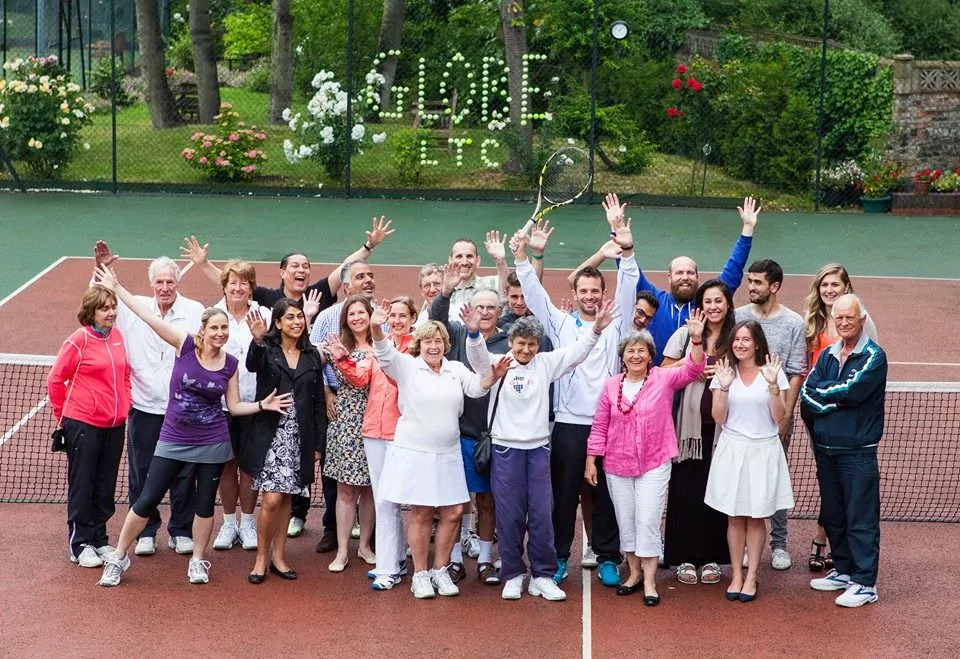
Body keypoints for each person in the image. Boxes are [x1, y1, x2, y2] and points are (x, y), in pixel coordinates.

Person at [93, 265, 292, 587]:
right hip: (173, 438)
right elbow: (148, 316)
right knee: (147, 499)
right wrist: (117, 288)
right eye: (215, 328)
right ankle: (118, 556)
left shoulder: (230, 364)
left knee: (204, 505)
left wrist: (260, 405)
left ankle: (198, 560)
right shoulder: (184, 344)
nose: (220, 333)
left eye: (224, 328)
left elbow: (233, 406)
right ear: (203, 330)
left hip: (212, 442)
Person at [512, 214, 638, 588]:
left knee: (607, 497)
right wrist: (525, 256)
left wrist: (627, 251)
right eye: (583, 290)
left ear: (603, 293)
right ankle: (558, 557)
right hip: (567, 424)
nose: (589, 296)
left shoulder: (618, 322)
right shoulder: (560, 322)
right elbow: (533, 293)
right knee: (563, 497)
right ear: (577, 292)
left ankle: (608, 557)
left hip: (608, 424)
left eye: (595, 290)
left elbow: (629, 284)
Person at [467, 300, 617, 602]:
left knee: (541, 515)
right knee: (509, 515)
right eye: (521, 343)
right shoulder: (499, 363)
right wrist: (473, 334)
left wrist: (596, 332)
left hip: (537, 450)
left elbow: (576, 354)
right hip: (506, 450)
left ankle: (542, 576)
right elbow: (479, 360)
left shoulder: (546, 363)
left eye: (532, 344)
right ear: (511, 342)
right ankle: (513, 574)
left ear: (538, 344)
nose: (526, 349)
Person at [373, 315, 511, 599]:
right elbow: (384, 352)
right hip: (415, 453)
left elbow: (477, 387)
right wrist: (376, 327)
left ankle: (440, 570)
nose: (433, 346)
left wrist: (494, 376)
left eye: (438, 341)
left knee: (454, 512)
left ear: (445, 344)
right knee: (422, 512)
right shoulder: (407, 366)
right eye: (427, 341)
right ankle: (420, 575)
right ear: (419, 344)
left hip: (448, 453)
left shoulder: (455, 369)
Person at [93, 241, 203, 557]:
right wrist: (100, 268)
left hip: (183, 409)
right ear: (151, 283)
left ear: (178, 282)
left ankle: (181, 530)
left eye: (169, 281)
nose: (164, 287)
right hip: (143, 406)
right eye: (159, 282)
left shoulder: (195, 310)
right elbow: (98, 301)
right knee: (143, 471)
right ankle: (146, 531)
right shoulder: (132, 307)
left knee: (185, 471)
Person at [587, 316, 705, 605]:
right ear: (623, 357)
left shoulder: (663, 378)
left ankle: (651, 582)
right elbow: (600, 425)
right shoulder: (610, 386)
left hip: (654, 462)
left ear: (651, 356)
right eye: (630, 350)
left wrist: (696, 339)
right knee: (626, 522)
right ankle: (634, 574)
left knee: (648, 520)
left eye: (642, 350)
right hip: (617, 465)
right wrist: (591, 460)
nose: (636, 355)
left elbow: (693, 369)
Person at [802, 294, 886, 608]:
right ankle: (844, 569)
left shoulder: (873, 356)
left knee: (861, 518)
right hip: (826, 450)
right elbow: (807, 392)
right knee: (834, 515)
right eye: (839, 318)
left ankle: (864, 583)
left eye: (850, 317)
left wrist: (826, 396)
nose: (844, 322)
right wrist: (832, 403)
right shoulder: (827, 354)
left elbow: (853, 390)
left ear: (862, 320)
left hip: (858, 452)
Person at [327, 296, 417, 590]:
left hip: (399, 432)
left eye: (403, 316)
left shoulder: (414, 349)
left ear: (413, 319)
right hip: (371, 431)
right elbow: (360, 378)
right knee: (381, 497)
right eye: (394, 316)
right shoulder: (381, 348)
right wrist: (342, 359)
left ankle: (393, 563)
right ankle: (391, 562)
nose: (398, 321)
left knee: (393, 498)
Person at [429, 264, 510, 585]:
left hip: (494, 436)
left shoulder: (508, 341)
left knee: (488, 500)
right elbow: (436, 319)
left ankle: (486, 561)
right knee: (456, 501)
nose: (485, 312)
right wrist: (446, 291)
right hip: (459, 434)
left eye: (491, 308)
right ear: (470, 310)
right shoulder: (458, 333)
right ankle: (454, 561)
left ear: (499, 312)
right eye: (480, 307)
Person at [704, 321, 795, 603]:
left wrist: (773, 386)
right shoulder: (724, 373)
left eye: (746, 339)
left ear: (757, 343)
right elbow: (718, 417)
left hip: (763, 451)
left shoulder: (773, 373)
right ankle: (736, 575)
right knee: (734, 517)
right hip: (732, 449)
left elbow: (779, 416)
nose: (740, 344)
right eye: (736, 339)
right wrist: (724, 387)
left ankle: (752, 575)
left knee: (756, 517)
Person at [610, 193, 758, 364]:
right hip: (657, 375)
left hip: (696, 377)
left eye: (690, 273)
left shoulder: (706, 303)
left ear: (697, 276)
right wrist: (619, 234)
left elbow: (733, 269)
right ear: (669, 277)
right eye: (679, 273)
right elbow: (629, 270)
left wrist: (747, 230)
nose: (685, 277)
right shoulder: (655, 300)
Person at [243, 298, 327, 584]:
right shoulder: (267, 349)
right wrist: (257, 340)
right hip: (271, 434)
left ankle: (279, 557)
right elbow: (252, 365)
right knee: (271, 499)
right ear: (277, 323)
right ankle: (261, 558)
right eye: (289, 317)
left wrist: (318, 444)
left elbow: (318, 403)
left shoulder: (311, 355)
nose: (296, 322)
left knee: (287, 497)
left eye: (299, 317)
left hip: (299, 436)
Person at [303, 258, 385, 549]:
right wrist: (326, 392)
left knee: (372, 482)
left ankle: (368, 541)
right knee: (337, 479)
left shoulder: (381, 323)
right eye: (361, 276)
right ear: (346, 285)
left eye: (371, 274)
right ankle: (332, 532)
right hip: (339, 406)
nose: (368, 280)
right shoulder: (328, 318)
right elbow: (312, 359)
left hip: (377, 412)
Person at [47, 285, 131, 568]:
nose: (111, 312)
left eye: (113, 307)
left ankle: (98, 538)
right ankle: (80, 543)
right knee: (83, 483)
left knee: (105, 485)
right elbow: (55, 380)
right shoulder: (78, 340)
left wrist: (125, 403)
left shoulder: (118, 337)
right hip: (83, 423)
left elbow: (125, 374)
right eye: (104, 308)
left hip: (115, 425)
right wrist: (63, 417)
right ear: (91, 312)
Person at [181, 216, 395, 325]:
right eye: (295, 266)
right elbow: (232, 283)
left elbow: (344, 267)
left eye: (306, 266)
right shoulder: (267, 297)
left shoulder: (318, 293)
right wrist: (204, 264)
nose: (301, 270)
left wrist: (369, 246)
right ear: (282, 273)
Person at [735, 259, 807, 571]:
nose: (751, 287)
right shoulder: (739, 316)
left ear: (774, 286)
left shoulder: (793, 323)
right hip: (742, 417)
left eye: (758, 282)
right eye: (749, 281)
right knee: (743, 482)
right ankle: (745, 547)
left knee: (775, 480)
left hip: (776, 415)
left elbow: (795, 372)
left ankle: (779, 544)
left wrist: (785, 417)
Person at [661, 279, 734, 586]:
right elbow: (662, 372)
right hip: (687, 431)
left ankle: (712, 557)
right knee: (686, 492)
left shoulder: (736, 336)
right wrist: (692, 366)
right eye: (708, 302)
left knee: (717, 492)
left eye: (718, 301)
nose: (713, 307)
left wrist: (726, 375)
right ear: (699, 306)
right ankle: (684, 557)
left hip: (725, 430)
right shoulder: (684, 335)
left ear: (727, 304)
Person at [212, 260, 271, 552]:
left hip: (255, 405)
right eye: (233, 283)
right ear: (224, 287)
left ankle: (247, 523)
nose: (238, 288)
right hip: (220, 406)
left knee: (249, 467)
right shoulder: (212, 315)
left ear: (251, 288)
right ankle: (228, 523)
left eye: (244, 283)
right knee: (227, 465)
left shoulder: (265, 315)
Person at [323, 295, 377, 573]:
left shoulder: (381, 345)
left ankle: (364, 545)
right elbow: (313, 363)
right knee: (345, 490)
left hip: (376, 420)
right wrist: (326, 392)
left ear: (370, 315)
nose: (357, 318)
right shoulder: (337, 345)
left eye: (361, 312)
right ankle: (343, 549)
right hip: (346, 421)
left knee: (370, 489)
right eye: (351, 313)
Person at [414, 264, 444, 328]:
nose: (432, 290)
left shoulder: (460, 314)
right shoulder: (417, 325)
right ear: (421, 291)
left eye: (437, 284)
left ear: (445, 286)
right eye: (427, 286)